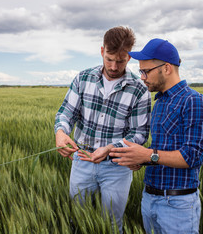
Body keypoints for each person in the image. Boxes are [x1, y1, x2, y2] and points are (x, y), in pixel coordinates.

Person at [109, 38, 203, 234]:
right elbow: (162, 150)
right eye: (141, 71)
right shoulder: (160, 102)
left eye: (146, 71)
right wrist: (141, 159)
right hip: (150, 199)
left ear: (166, 68)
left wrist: (148, 155)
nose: (142, 77)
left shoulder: (193, 102)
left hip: (177, 205)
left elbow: (194, 156)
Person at [54, 26, 151, 232]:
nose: (114, 66)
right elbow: (66, 113)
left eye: (121, 60)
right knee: (77, 220)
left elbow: (139, 133)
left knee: (112, 224)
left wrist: (109, 149)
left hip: (117, 166)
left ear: (129, 58)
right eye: (109, 59)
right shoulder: (83, 78)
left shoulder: (139, 89)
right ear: (102, 51)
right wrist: (61, 133)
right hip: (82, 160)